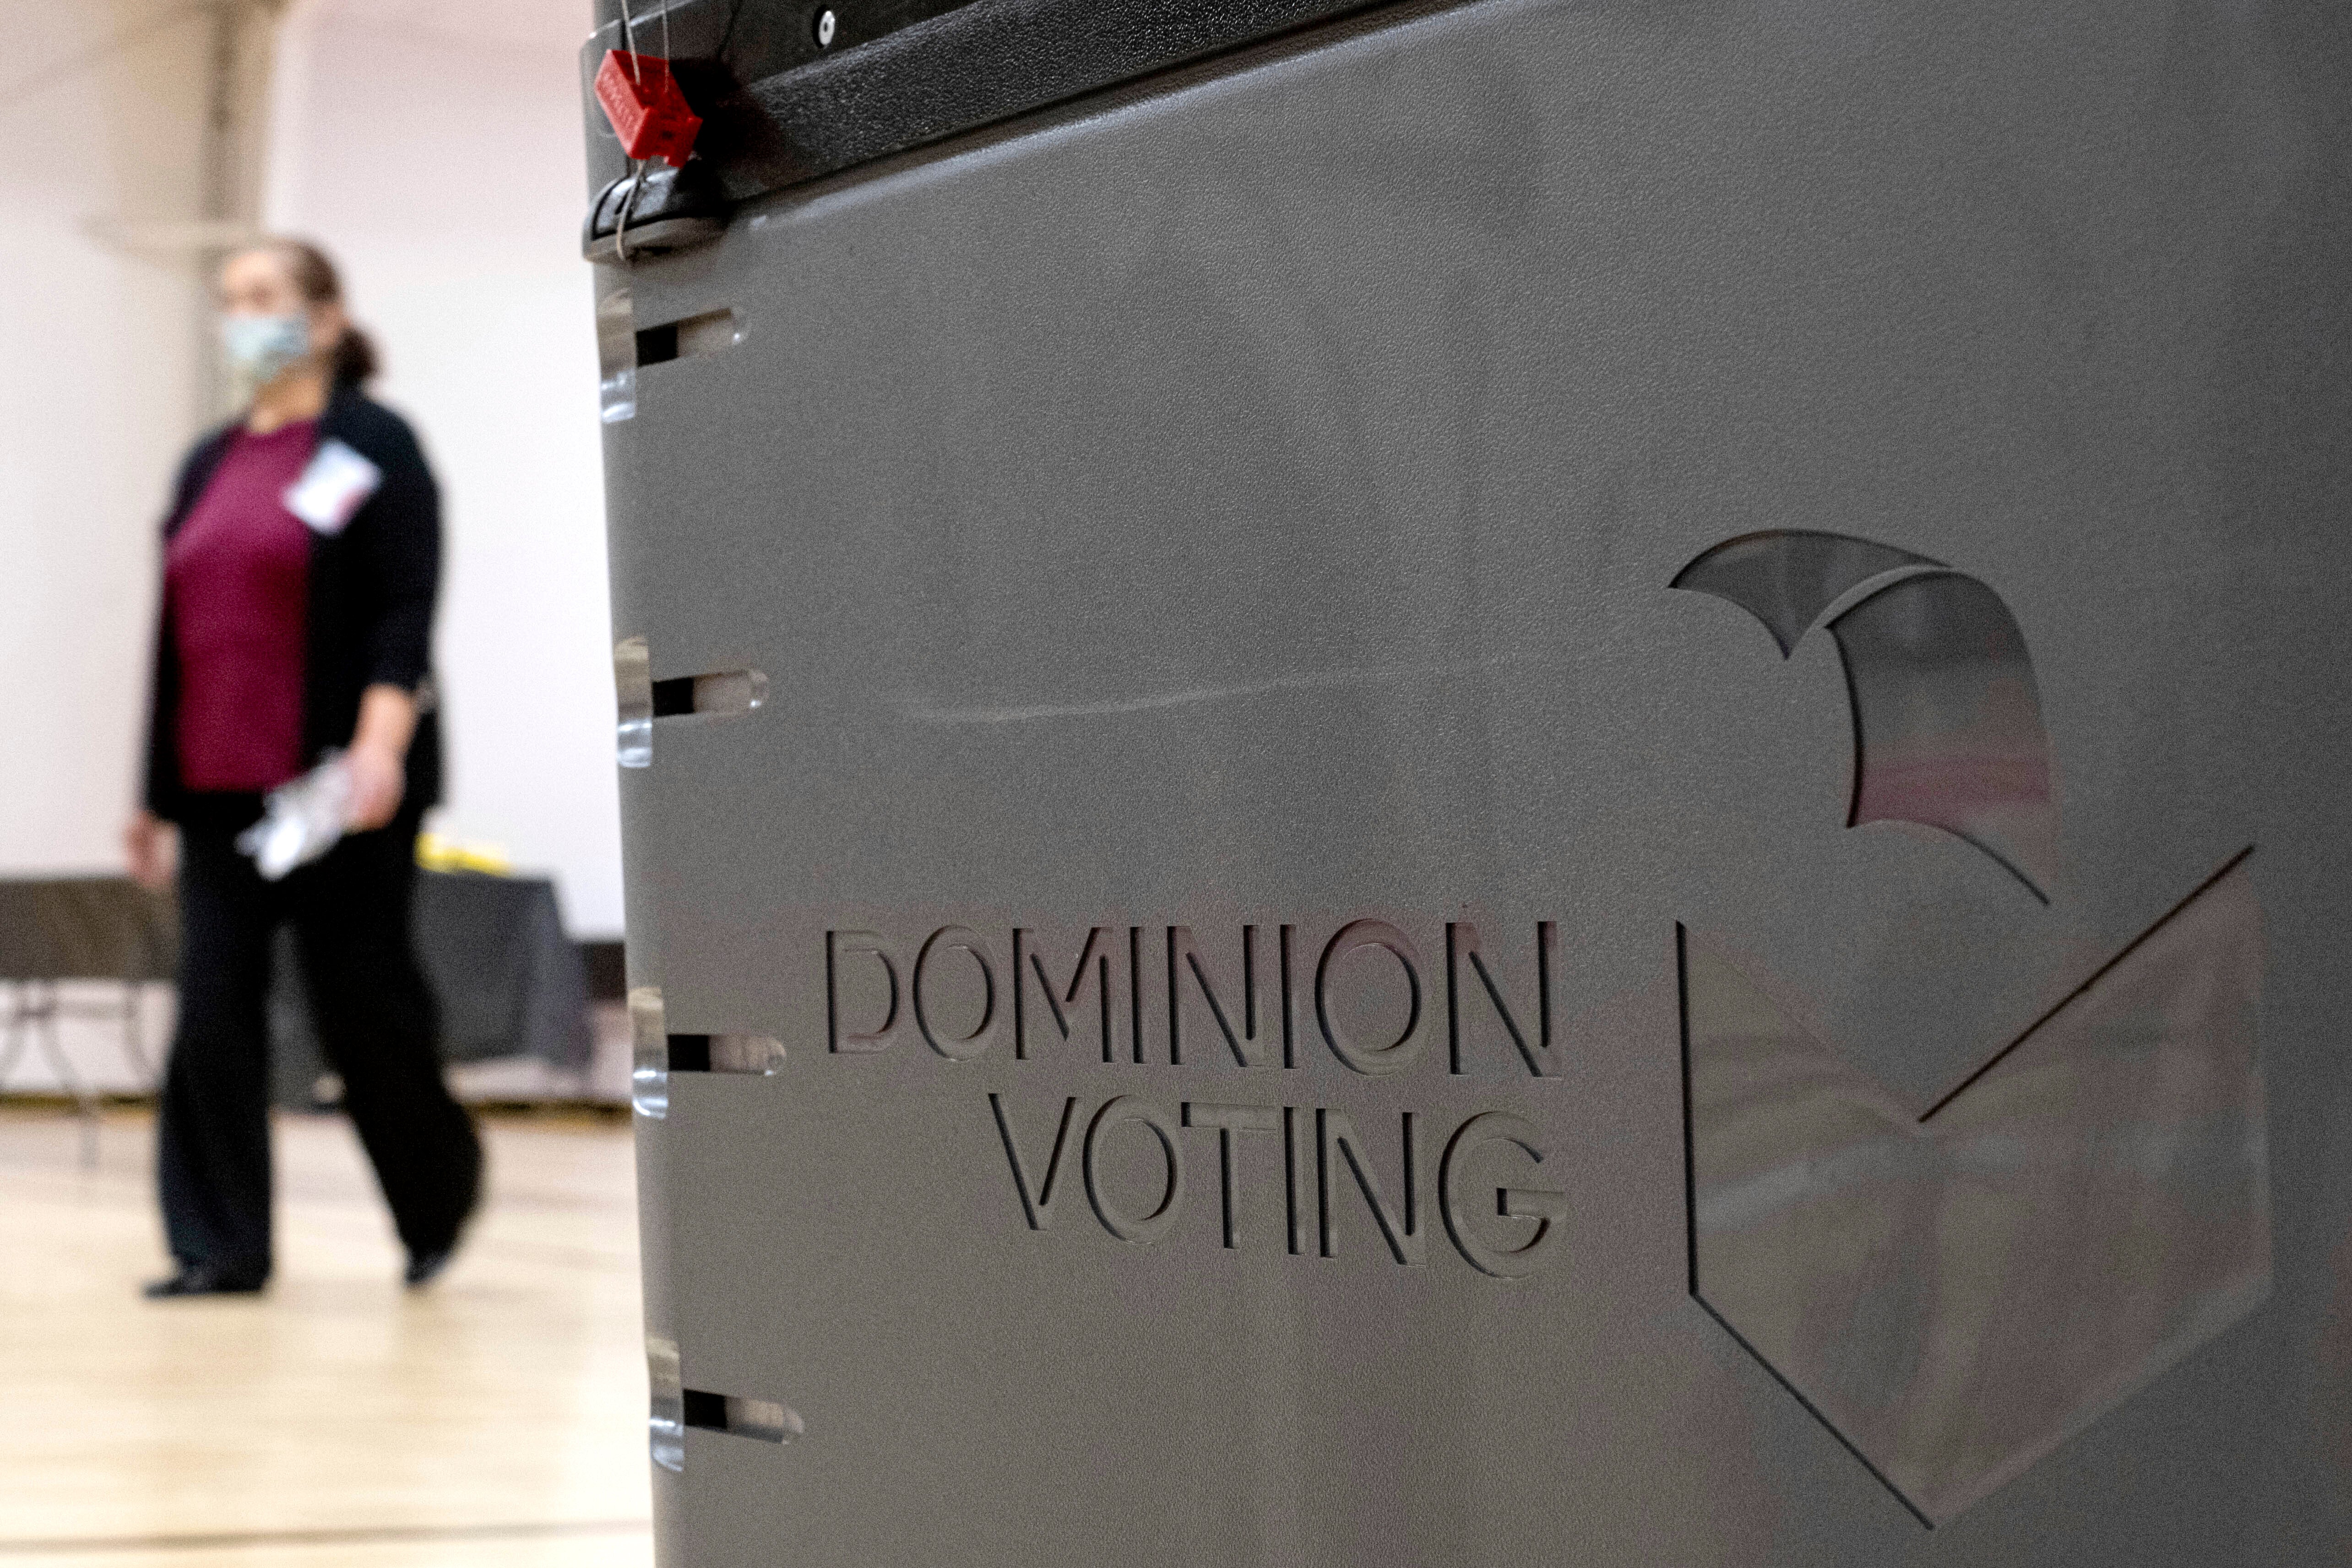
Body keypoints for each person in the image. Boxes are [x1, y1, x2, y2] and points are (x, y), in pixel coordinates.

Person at [125, 239, 481, 1299]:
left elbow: (403, 610)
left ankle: (436, 1196)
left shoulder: (375, 443)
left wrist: (378, 747)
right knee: (210, 1009)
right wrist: (151, 798)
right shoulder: (209, 461)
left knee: (362, 1008)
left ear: (325, 319)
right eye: (231, 301)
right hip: (216, 789)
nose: (245, 318)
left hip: (337, 791)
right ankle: (221, 1245)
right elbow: (177, 634)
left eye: (266, 298)